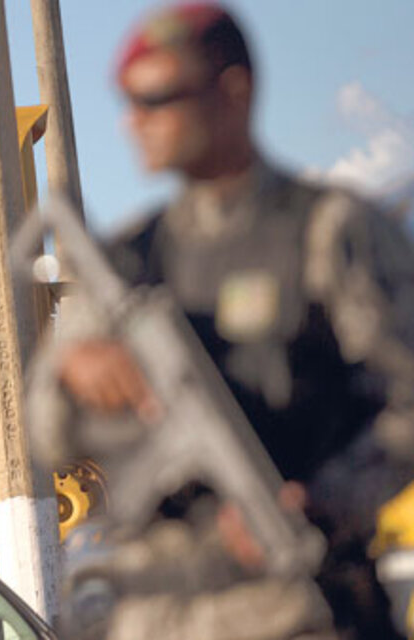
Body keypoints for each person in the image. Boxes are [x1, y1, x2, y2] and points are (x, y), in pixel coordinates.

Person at [57, 3, 414, 638]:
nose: (135, 123)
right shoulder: (130, 258)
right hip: (160, 617)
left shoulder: (329, 231)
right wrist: (75, 375)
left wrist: (324, 504)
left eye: (159, 99)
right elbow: (41, 432)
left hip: (296, 609)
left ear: (234, 92)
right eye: (128, 103)